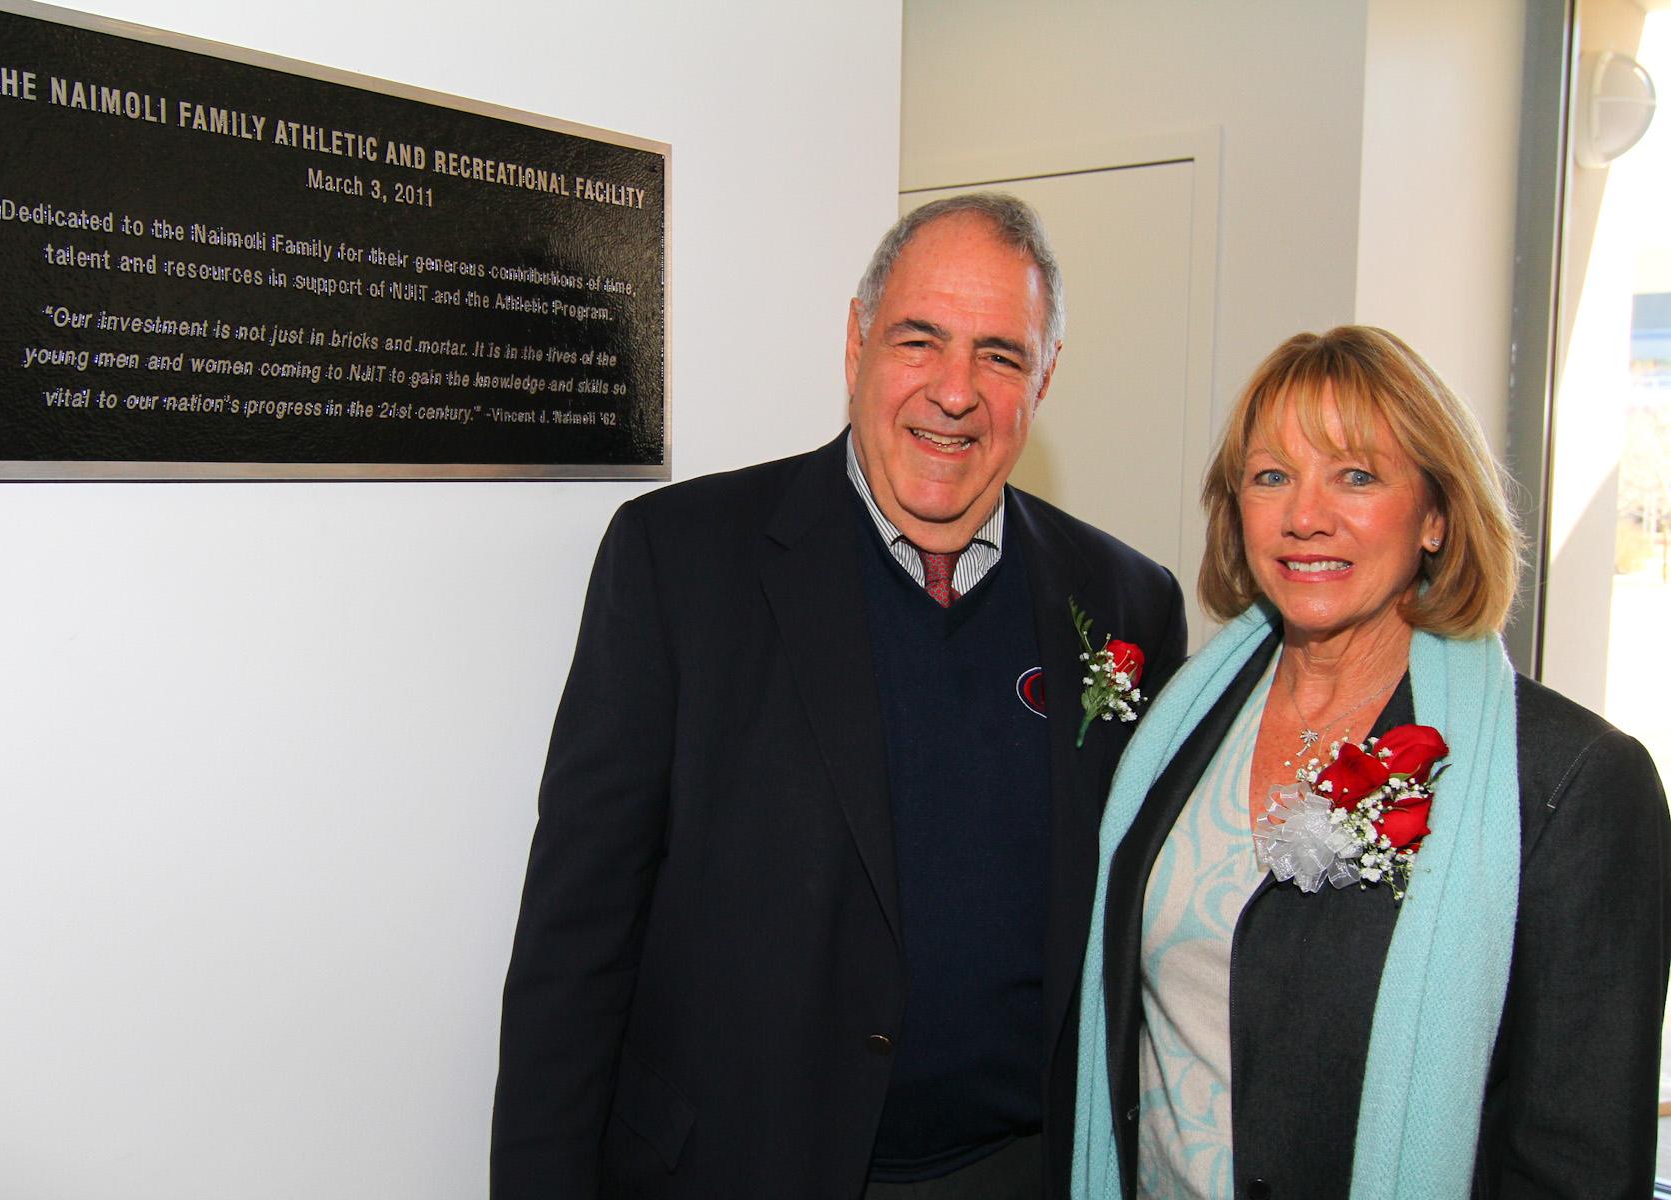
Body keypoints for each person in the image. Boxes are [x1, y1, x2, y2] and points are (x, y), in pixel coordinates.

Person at [490, 192, 1187, 1200]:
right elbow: (577, 941)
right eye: (919, 340)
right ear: (857, 339)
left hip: (1021, 1173)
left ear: (1044, 377)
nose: (955, 392)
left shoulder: (1126, 601)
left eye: (1000, 355)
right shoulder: (679, 562)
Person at [1069, 325, 1671, 1199]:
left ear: (1436, 515)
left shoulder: (1570, 783)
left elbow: (1575, 1164)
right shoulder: (1179, 726)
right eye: (1271, 476)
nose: (1305, 515)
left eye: (1355, 476)